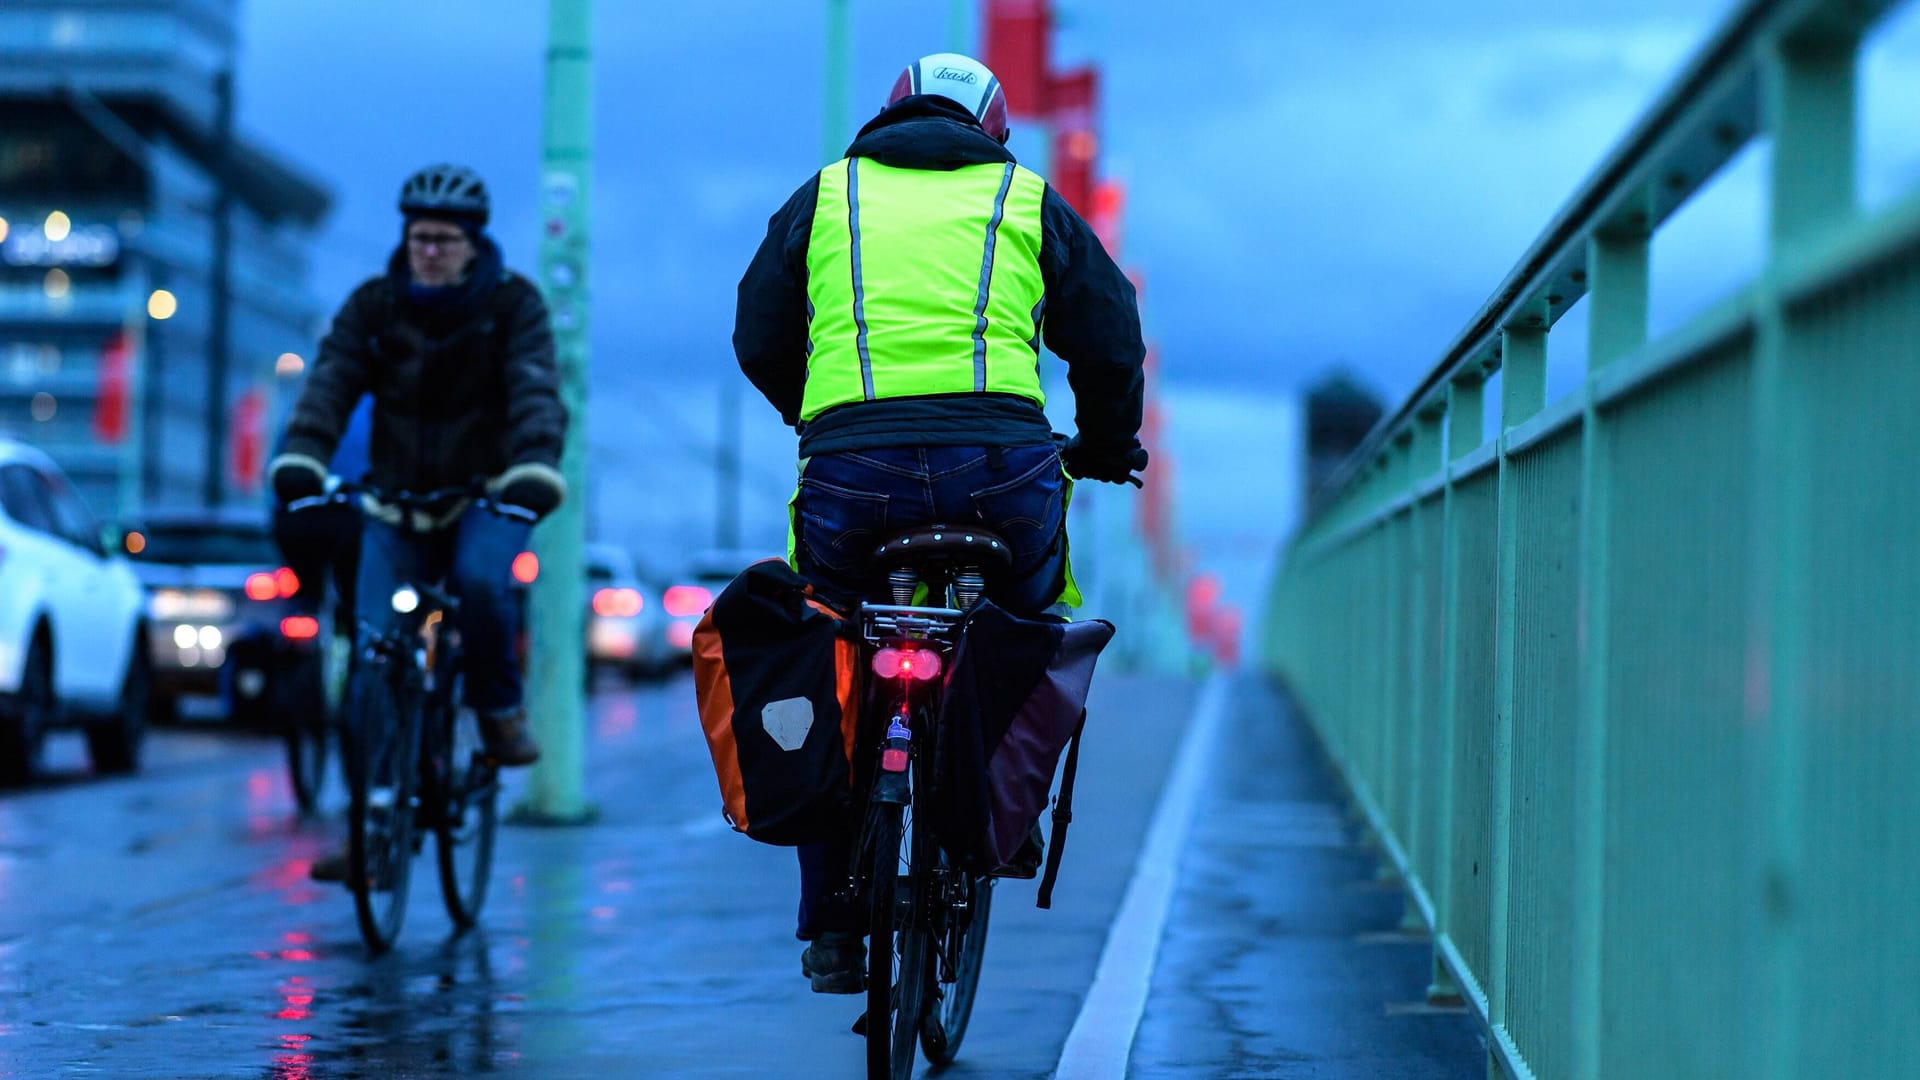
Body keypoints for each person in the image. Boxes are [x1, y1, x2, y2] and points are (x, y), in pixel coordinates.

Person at [733, 52, 1148, 993]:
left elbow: (757, 331)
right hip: (1001, 466)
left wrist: (820, 414)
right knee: (1031, 620)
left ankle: (831, 922)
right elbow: (1111, 331)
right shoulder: (1026, 198)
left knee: (831, 648)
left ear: (885, 118)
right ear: (993, 132)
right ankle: (1004, 809)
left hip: (852, 469)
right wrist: (1109, 442)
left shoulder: (826, 194)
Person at [269, 163, 568, 882]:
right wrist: (302, 454)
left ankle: (497, 710)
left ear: (472, 242)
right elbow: (331, 381)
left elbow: (534, 390)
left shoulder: (512, 305)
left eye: (442, 238)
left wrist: (532, 465)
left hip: (486, 496)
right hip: (394, 504)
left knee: (480, 585)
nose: (428, 250)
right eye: (417, 237)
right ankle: (371, 829)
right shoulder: (374, 305)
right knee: (372, 664)